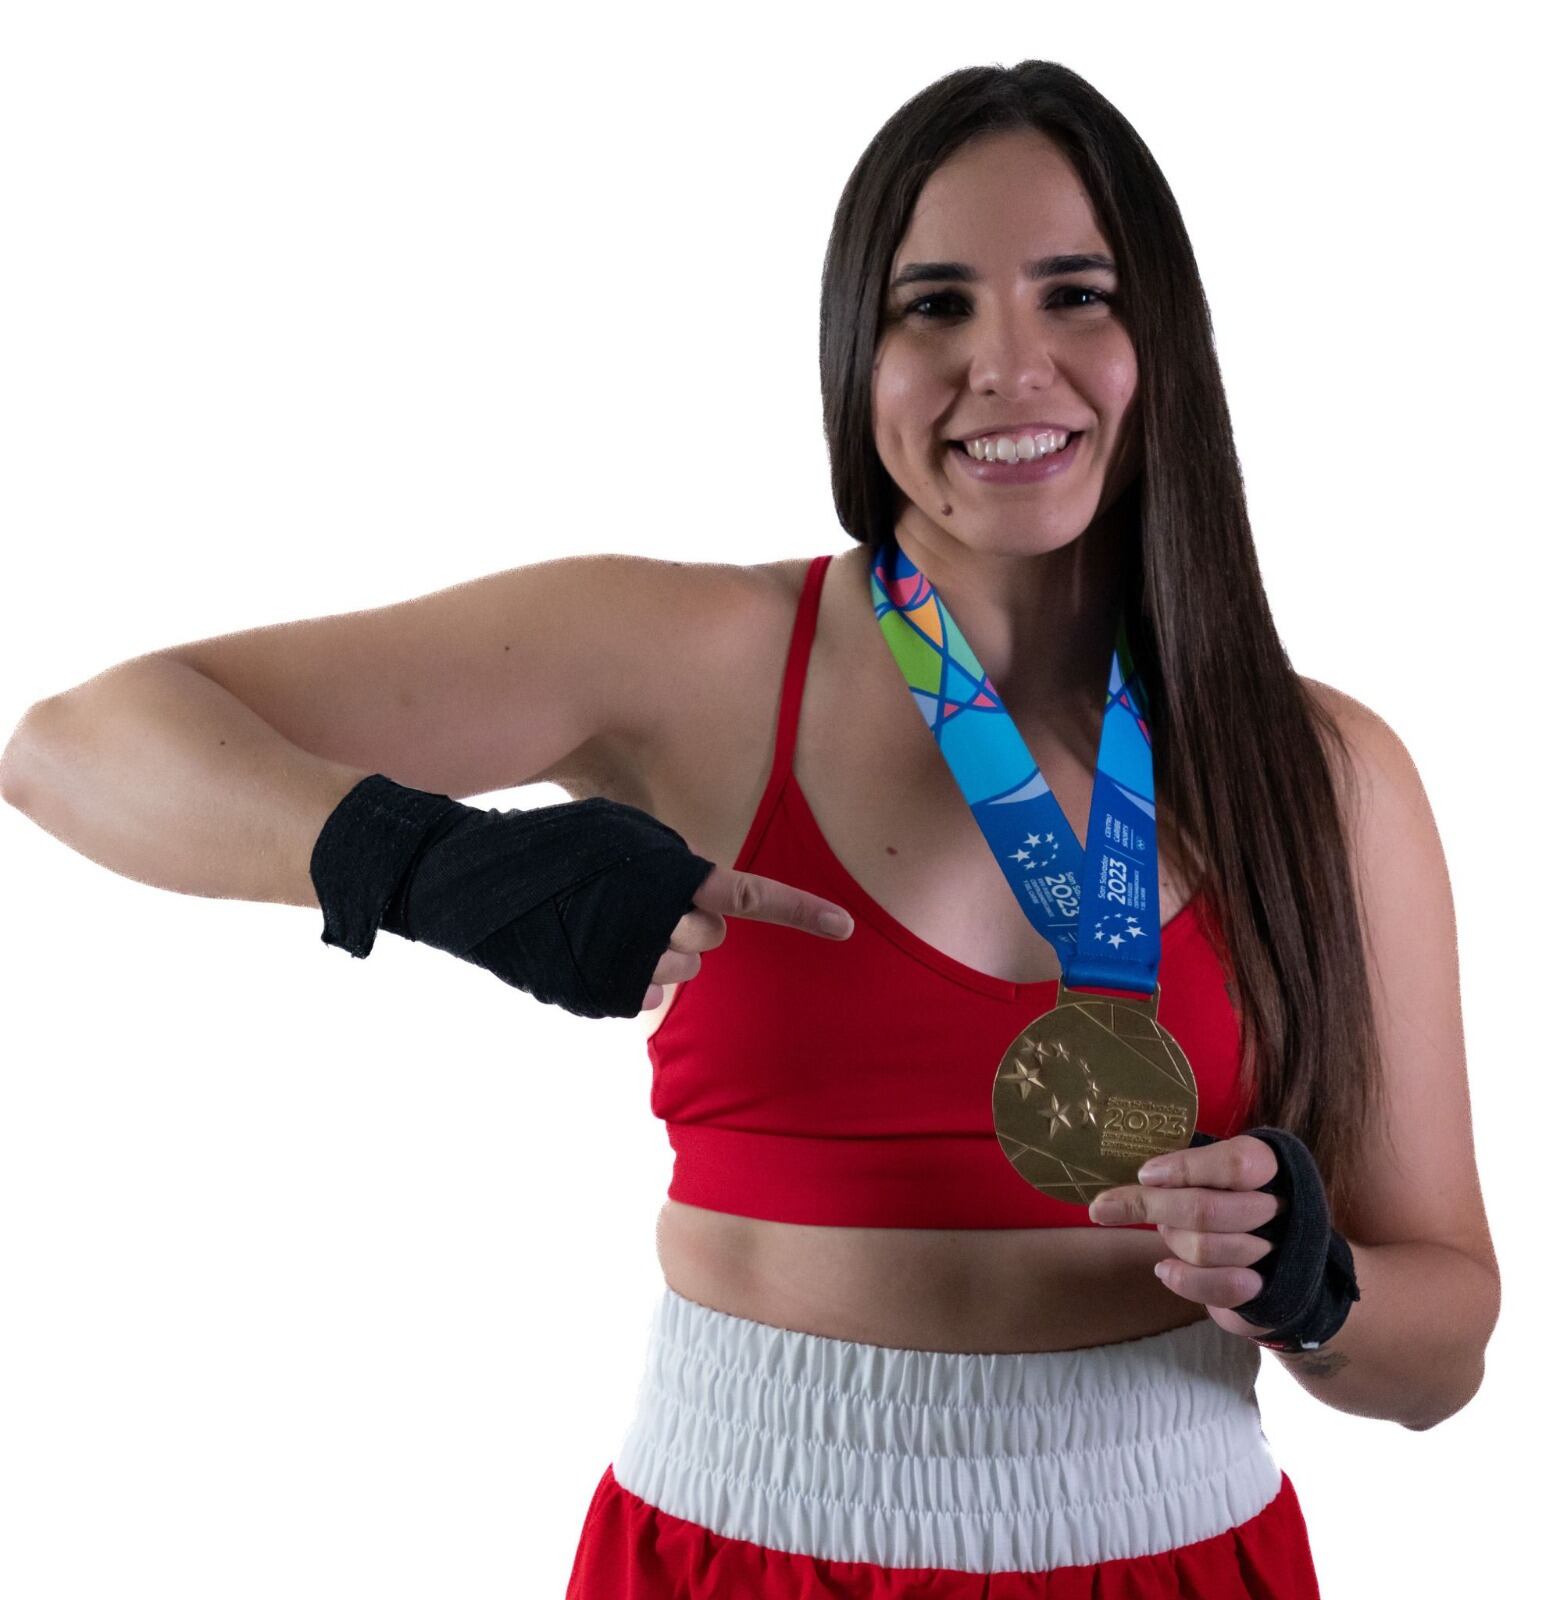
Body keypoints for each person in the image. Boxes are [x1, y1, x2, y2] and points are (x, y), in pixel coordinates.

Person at [0, 58, 1500, 1600]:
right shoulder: (698, 665)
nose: (1008, 366)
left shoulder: (1325, 774)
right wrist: (442, 866)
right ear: (857, 356)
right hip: (736, 1541)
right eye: (934, 306)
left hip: (1179, 1549)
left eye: (1077, 295)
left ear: (1162, 341)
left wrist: (1316, 1289)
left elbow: (1443, 1352)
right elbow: (73, 746)